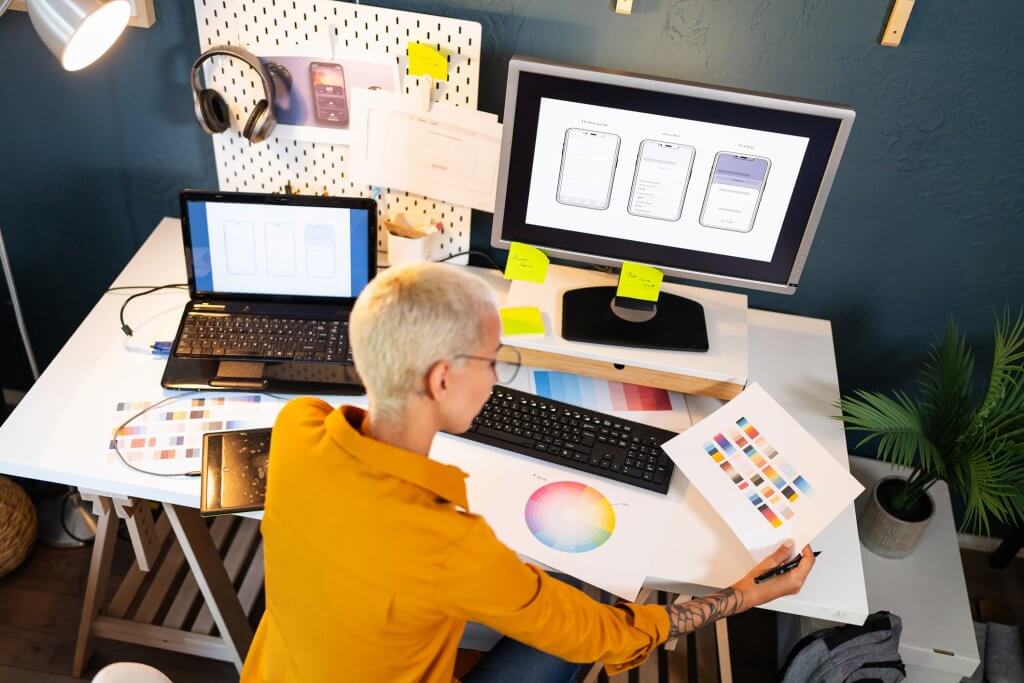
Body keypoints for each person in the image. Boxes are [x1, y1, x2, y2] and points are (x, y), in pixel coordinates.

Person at [240, 262, 816, 682]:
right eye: (492, 361)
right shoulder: (452, 548)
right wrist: (742, 593)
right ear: (441, 381)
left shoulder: (298, 427)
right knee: (584, 607)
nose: (496, 380)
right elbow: (604, 635)